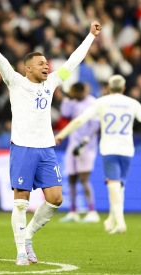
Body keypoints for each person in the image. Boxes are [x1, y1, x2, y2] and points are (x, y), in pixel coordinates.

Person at [0, 19, 102, 265]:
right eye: (41, 64)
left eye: (47, 63)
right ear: (28, 69)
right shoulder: (15, 82)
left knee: (55, 199)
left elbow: (73, 61)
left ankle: (28, 236)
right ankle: (21, 251)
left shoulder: (51, 83)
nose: (47, 66)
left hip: (46, 149)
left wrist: (90, 36)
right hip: (22, 148)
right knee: (21, 202)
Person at [55, 75, 141, 234]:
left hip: (110, 148)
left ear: (109, 88)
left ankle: (120, 222)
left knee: (113, 185)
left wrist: (62, 134)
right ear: (124, 88)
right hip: (127, 150)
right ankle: (112, 219)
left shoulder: (102, 102)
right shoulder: (132, 103)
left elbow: (80, 120)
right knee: (119, 188)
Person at [59, 82, 100, 223]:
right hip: (73, 144)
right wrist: (67, 99)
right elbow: (64, 114)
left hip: (87, 146)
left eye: (74, 93)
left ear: (81, 91)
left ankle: (92, 211)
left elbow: (96, 125)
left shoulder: (93, 103)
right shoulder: (73, 101)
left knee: (84, 178)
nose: (73, 95)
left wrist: (84, 143)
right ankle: (73, 211)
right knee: (71, 177)